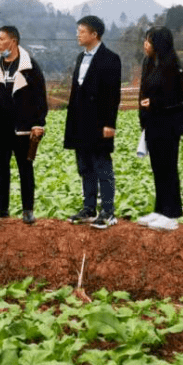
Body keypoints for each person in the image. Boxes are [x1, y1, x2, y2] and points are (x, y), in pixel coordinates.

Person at [0, 25, 48, 225]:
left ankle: (27, 210)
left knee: (25, 167)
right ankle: (2, 207)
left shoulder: (29, 66)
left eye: (1, 39)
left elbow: (40, 96)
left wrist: (38, 123)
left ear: (13, 41)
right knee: (0, 167)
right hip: (0, 126)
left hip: (23, 126)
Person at [64, 15, 122, 229]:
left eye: (81, 31)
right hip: (80, 122)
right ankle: (89, 208)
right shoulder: (81, 58)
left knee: (102, 166)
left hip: (99, 123)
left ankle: (108, 212)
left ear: (94, 34)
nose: (77, 34)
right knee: (85, 166)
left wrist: (110, 124)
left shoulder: (110, 59)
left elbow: (113, 95)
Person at [137, 26, 183, 230]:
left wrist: (155, 103)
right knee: (157, 168)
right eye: (146, 40)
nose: (146, 44)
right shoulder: (149, 63)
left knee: (168, 167)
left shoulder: (172, 66)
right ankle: (160, 210)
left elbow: (178, 98)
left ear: (160, 44)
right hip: (153, 124)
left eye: (149, 41)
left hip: (169, 125)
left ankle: (171, 213)